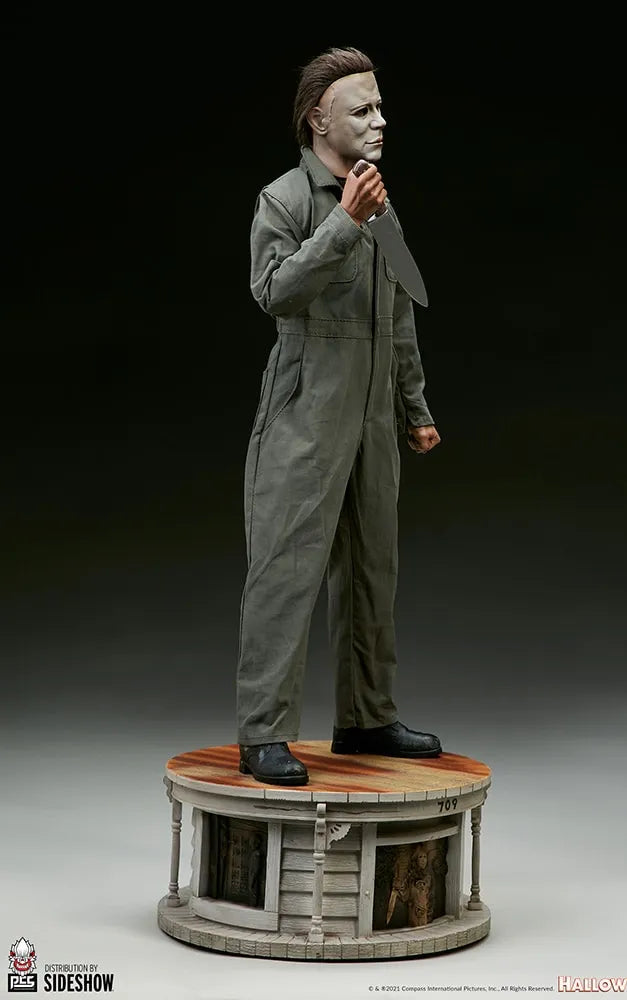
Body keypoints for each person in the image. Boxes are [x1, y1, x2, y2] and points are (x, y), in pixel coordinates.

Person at [236, 46, 442, 786]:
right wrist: (344, 223)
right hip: (306, 413)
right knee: (286, 568)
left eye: (380, 106)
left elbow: (399, 311)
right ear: (318, 120)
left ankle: (366, 718)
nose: (380, 120)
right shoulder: (285, 199)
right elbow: (275, 293)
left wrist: (413, 406)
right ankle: (263, 731)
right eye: (363, 109)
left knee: (371, 569)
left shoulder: (380, 201)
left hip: (373, 418)